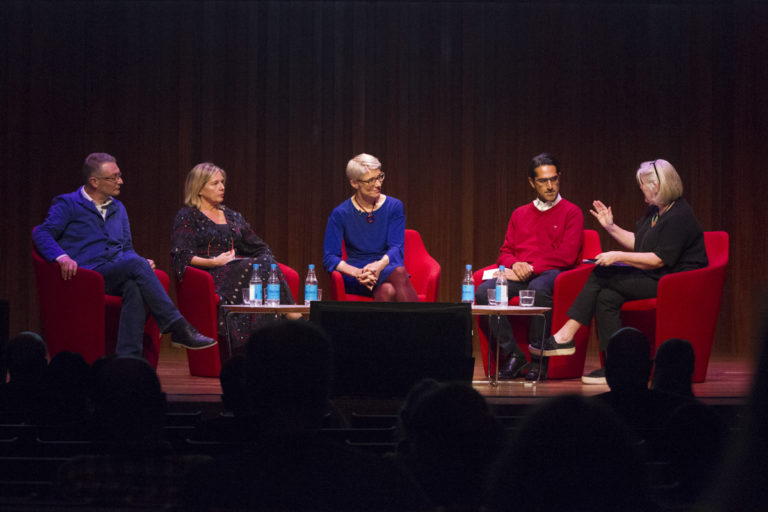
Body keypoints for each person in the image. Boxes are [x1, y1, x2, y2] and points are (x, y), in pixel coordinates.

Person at [530, 159, 708, 384]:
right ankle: (614, 368)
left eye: (643, 185)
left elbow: (658, 259)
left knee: (601, 274)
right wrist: (610, 227)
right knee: (607, 297)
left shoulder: (680, 215)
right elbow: (640, 244)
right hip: (658, 276)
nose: (641, 190)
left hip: (676, 282)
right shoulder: (655, 212)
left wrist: (618, 256)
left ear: (656, 186)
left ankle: (566, 335)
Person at [33, 153, 216, 358]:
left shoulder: (118, 208)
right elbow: (41, 233)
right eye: (114, 177)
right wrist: (61, 257)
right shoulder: (68, 204)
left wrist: (139, 262)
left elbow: (127, 249)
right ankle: (177, 326)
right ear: (94, 181)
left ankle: (128, 358)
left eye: (120, 175)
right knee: (137, 267)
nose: (120, 181)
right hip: (86, 275)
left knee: (134, 285)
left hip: (113, 273)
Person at [475, 153, 583, 380]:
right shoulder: (520, 214)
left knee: (538, 288)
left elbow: (567, 256)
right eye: (543, 181)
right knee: (485, 291)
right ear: (532, 183)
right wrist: (515, 265)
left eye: (554, 179)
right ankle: (514, 355)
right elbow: (505, 252)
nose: (550, 186)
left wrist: (530, 268)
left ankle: (538, 358)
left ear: (559, 177)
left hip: (553, 274)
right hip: (521, 274)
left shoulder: (571, 212)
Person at [171, 162, 295, 353]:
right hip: (209, 274)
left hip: (237, 269)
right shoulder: (188, 216)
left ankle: (266, 342)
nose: (222, 187)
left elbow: (259, 247)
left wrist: (266, 266)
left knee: (265, 263)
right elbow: (182, 256)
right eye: (215, 183)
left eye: (222, 182)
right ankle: (292, 315)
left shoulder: (232, 216)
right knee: (254, 268)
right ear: (199, 189)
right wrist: (214, 261)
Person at [322, 153, 419, 301]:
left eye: (379, 177)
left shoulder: (394, 207)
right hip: (359, 274)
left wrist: (378, 266)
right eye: (371, 180)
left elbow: (397, 247)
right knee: (399, 273)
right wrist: (358, 273)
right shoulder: (340, 213)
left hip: (386, 266)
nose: (378, 184)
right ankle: (420, 317)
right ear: (355, 183)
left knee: (388, 289)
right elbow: (329, 257)